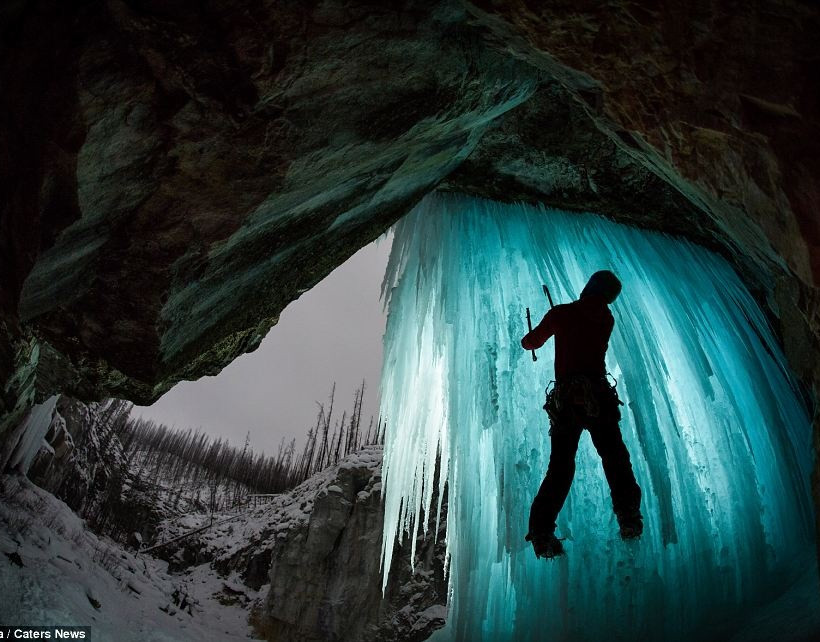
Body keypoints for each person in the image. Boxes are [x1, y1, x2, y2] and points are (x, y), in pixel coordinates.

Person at [521, 270, 642, 559]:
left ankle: (541, 533)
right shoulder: (606, 320)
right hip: (599, 397)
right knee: (615, 458)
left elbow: (531, 342)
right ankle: (628, 517)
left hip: (568, 401)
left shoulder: (562, 313)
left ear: (589, 287)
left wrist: (533, 335)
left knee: (561, 468)